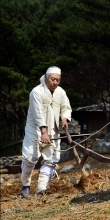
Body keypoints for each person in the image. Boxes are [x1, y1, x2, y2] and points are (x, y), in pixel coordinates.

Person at [20, 66, 72, 198]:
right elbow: (37, 113)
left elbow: (66, 106)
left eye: (57, 80)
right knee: (30, 157)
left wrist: (65, 118)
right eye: (52, 79)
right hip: (35, 130)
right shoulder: (36, 92)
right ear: (46, 77)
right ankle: (25, 186)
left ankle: (42, 190)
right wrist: (43, 131)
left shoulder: (60, 92)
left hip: (53, 130)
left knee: (50, 159)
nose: (55, 82)